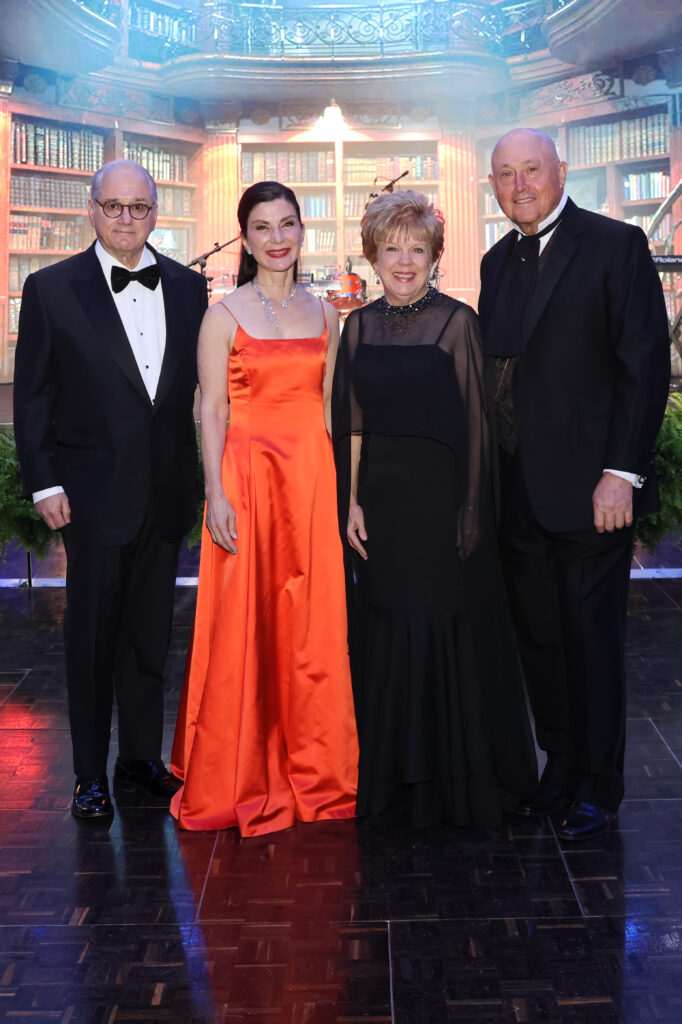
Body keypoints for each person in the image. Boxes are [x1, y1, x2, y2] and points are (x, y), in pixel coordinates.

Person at [479, 128, 670, 841]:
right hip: (517, 493)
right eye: (506, 174)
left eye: (532, 169)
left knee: (591, 640)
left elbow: (643, 366)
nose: (520, 184)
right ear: (493, 186)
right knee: (541, 639)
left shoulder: (615, 245)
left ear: (561, 171)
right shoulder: (495, 261)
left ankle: (599, 784)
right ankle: (559, 766)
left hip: (594, 491)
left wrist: (620, 474)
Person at [332, 190, 537, 829]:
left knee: (444, 624)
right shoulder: (357, 326)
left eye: (416, 249)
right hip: (382, 504)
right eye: (391, 248)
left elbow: (477, 427)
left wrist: (470, 513)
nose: (403, 261)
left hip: (440, 501)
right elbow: (352, 424)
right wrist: (351, 500)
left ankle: (454, 783)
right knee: (389, 625)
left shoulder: (456, 322)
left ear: (434, 256)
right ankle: (396, 782)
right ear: (372, 256)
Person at [13, 159, 208, 820]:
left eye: (140, 207)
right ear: (91, 209)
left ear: (156, 212)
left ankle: (139, 760)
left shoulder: (188, 286)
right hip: (91, 495)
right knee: (92, 641)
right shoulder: (50, 288)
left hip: (166, 493)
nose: (127, 218)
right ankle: (89, 774)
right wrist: (44, 482)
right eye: (114, 206)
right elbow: (33, 397)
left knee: (151, 638)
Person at [170, 181, 358, 838]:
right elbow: (210, 408)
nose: (277, 239)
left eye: (287, 224)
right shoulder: (223, 315)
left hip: (311, 479)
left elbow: (332, 410)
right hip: (247, 481)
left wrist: (348, 495)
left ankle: (317, 767)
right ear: (245, 239)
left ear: (302, 230)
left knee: (311, 623)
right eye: (262, 227)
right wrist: (215, 494)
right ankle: (240, 765)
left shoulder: (327, 314)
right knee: (244, 621)